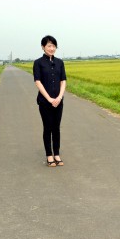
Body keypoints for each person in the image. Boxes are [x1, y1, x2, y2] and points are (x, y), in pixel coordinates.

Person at [33, 35, 67, 167]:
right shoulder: (38, 63)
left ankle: (57, 154)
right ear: (43, 47)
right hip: (44, 101)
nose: (52, 48)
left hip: (58, 101)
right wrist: (49, 99)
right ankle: (49, 156)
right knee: (47, 128)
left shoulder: (60, 62)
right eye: (49, 46)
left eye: (54, 46)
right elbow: (38, 81)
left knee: (56, 128)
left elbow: (63, 80)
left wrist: (59, 97)